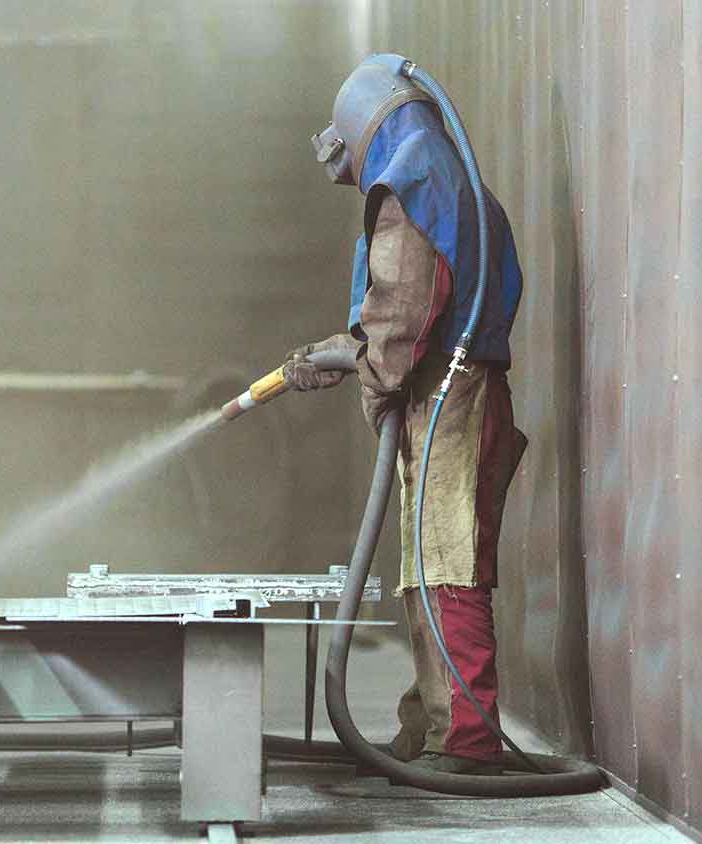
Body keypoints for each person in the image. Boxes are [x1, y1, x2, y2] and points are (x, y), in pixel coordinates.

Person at [283, 56, 527, 776]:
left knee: (446, 566)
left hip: (451, 389)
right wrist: (343, 353)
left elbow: (404, 304)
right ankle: (431, 726)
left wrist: (372, 375)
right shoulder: (451, 180)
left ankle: (468, 743)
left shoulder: (411, 178)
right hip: (453, 383)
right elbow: (407, 309)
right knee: (427, 567)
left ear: (365, 130)